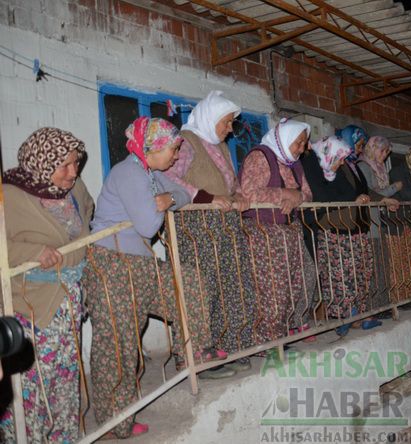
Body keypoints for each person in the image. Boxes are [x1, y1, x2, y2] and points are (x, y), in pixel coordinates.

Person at [81, 117, 218, 439]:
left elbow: (182, 196)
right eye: (172, 148)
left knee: (190, 283)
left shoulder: (150, 173)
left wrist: (168, 199)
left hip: (138, 262)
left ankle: (193, 351)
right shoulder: (128, 172)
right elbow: (147, 226)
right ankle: (117, 421)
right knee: (119, 345)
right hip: (111, 264)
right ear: (151, 147)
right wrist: (163, 202)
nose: (176, 154)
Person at [0, 128, 94, 443]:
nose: (74, 172)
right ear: (42, 162)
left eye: (76, 163)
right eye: (65, 165)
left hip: (68, 301)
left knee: (65, 378)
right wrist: (33, 253)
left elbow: (88, 213)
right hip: (31, 304)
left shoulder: (75, 188)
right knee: (32, 383)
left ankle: (63, 438)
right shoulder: (11, 195)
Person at [165, 91, 255, 379]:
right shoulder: (187, 142)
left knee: (229, 285)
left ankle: (225, 350)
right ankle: (198, 357)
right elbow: (165, 178)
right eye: (226, 123)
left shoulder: (220, 146)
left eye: (231, 123)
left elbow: (232, 184)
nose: (230, 130)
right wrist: (206, 197)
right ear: (210, 118)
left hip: (222, 229)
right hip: (197, 230)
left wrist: (239, 196)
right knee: (202, 291)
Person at [239, 118, 317, 343]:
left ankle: (290, 326)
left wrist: (298, 197)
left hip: (289, 229)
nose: (302, 149)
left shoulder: (295, 164)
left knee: (305, 275)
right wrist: (284, 194)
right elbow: (249, 193)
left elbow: (308, 194)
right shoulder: (260, 156)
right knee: (273, 287)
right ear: (285, 139)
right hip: (263, 231)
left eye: (304, 144)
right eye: (298, 143)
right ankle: (268, 340)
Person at [302, 135, 375, 323]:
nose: (341, 162)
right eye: (339, 158)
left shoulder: (333, 171)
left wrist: (359, 198)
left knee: (355, 273)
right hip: (330, 229)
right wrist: (352, 200)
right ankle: (344, 315)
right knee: (338, 275)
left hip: (347, 227)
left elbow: (351, 193)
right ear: (329, 153)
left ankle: (357, 313)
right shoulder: (314, 167)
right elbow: (322, 197)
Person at [357, 135, 411, 303]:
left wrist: (386, 203)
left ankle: (383, 302)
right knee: (374, 263)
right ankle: (376, 304)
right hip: (370, 221)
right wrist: (393, 189)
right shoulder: (364, 166)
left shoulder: (378, 168)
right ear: (373, 149)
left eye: (387, 152)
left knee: (382, 261)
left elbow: (378, 196)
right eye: (383, 151)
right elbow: (370, 193)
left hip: (379, 218)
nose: (385, 155)